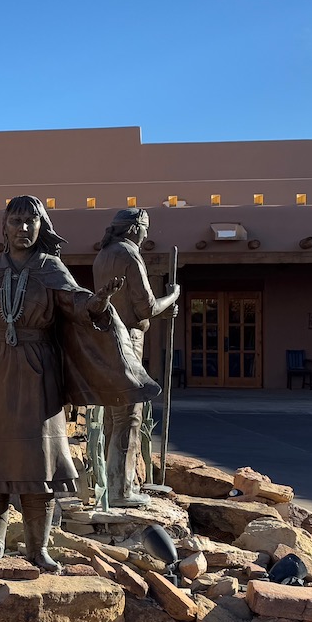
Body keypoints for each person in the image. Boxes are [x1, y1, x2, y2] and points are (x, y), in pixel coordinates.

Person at [0, 196, 160, 571]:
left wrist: (99, 301)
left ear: (42, 227)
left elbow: (77, 304)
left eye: (30, 222)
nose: (23, 228)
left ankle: (38, 550)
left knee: (40, 465)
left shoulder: (50, 268)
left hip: (38, 373)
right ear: (4, 226)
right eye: (16, 221)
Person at [91, 208, 179, 507]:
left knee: (112, 418)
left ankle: (108, 485)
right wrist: (173, 296)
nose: (147, 234)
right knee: (129, 416)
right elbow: (146, 307)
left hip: (106, 339)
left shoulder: (103, 255)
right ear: (132, 228)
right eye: (144, 228)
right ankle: (121, 490)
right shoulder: (129, 255)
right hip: (128, 338)